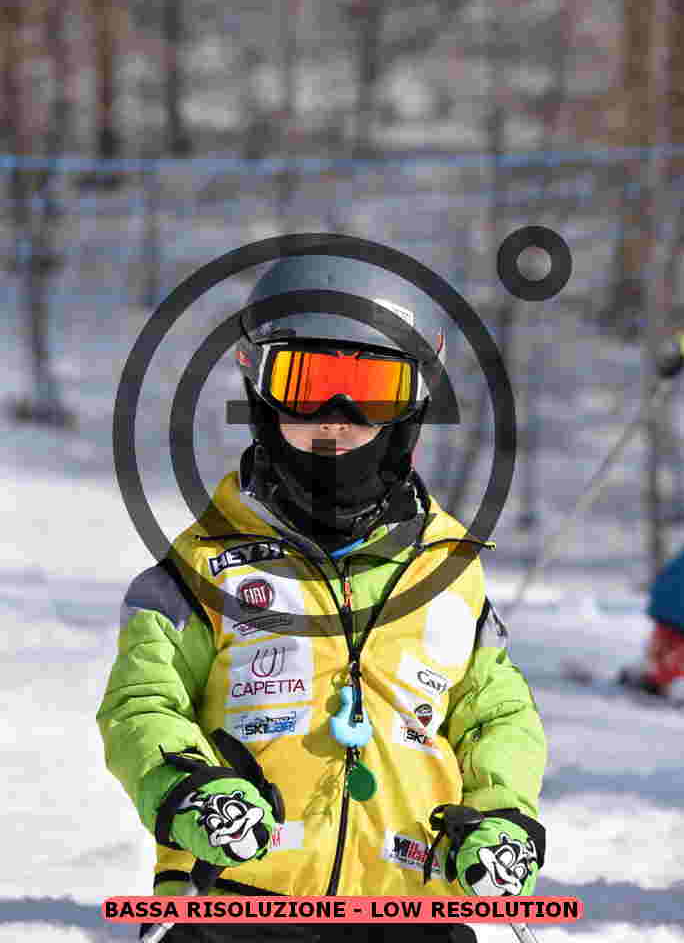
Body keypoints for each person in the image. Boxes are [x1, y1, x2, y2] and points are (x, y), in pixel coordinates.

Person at [97, 252, 547, 942]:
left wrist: (500, 818)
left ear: (412, 408)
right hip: (234, 904)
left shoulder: (447, 570)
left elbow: (496, 715)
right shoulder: (202, 567)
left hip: (411, 913)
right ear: (260, 391)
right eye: (306, 383)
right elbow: (142, 702)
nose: (336, 418)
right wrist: (190, 791)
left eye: (370, 389)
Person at [619, 543, 684, 703]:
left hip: (664, 602)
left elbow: (668, 575)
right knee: (676, 653)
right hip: (676, 608)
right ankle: (655, 681)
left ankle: (649, 675)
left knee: (662, 648)